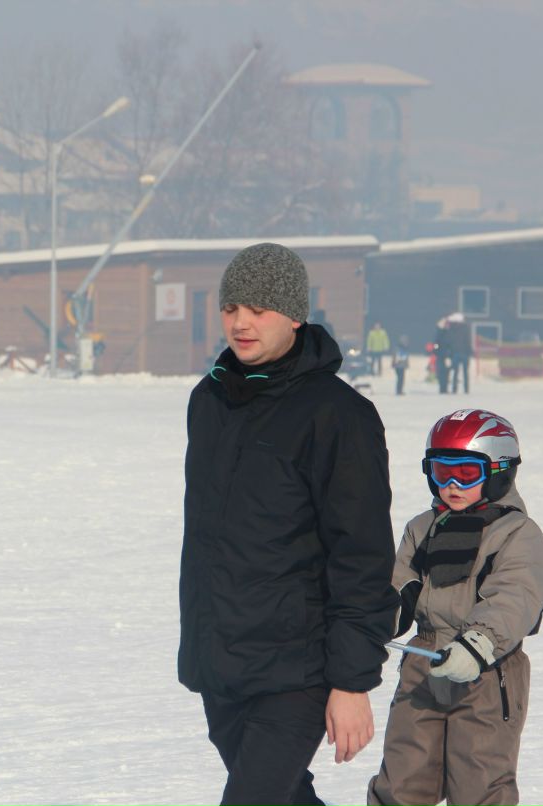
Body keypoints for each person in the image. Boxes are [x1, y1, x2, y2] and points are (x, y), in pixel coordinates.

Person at [179, 242, 401, 806]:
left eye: (258, 309)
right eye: (231, 307)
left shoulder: (338, 415)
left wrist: (351, 681)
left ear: (295, 315)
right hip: (222, 662)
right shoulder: (209, 400)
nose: (241, 322)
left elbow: (362, 557)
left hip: (298, 669)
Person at [368, 409, 543, 806]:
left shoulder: (516, 533)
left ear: (500, 471)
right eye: (442, 472)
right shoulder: (422, 528)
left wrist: (478, 643)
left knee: (478, 781)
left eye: (467, 474)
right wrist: (372, 620)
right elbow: (399, 586)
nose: (452, 485)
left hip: (486, 670)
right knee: (403, 776)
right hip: (423, 664)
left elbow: (515, 597)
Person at [446, 312, 471, 394]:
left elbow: (449, 341)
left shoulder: (451, 329)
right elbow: (468, 341)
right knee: (465, 373)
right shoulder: (466, 328)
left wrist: (449, 353)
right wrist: (469, 352)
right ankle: (466, 389)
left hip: (455, 353)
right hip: (464, 353)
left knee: (455, 372)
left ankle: (454, 389)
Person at [432, 317, 451, 394]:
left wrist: (436, 350)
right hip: (443, 355)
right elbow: (436, 344)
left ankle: (444, 388)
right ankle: (442, 388)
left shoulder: (443, 333)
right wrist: (436, 350)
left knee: (445, 372)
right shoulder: (442, 333)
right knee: (443, 372)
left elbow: (436, 344)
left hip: (445, 356)